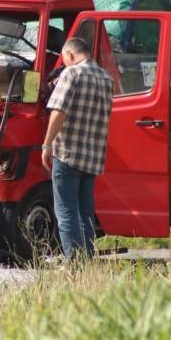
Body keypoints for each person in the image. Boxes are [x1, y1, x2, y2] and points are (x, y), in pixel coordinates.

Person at [41, 37, 114, 260]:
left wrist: (47, 144)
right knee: (85, 212)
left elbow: (59, 111)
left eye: (65, 59)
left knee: (65, 211)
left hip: (68, 153)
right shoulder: (106, 78)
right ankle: (87, 260)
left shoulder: (71, 73)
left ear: (71, 55)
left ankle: (74, 263)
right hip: (92, 156)